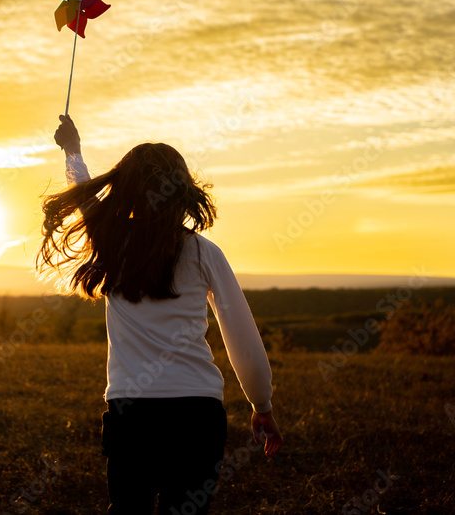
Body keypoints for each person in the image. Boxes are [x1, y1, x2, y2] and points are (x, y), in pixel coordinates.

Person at [37, 114, 283, 515]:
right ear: (182, 192)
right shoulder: (204, 252)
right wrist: (262, 405)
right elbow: (240, 334)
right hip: (197, 416)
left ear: (125, 192)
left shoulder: (113, 241)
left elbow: (83, 193)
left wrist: (73, 150)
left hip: (132, 414)